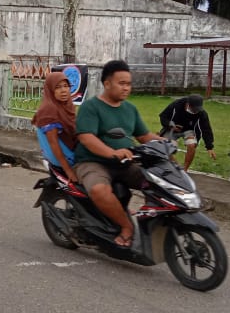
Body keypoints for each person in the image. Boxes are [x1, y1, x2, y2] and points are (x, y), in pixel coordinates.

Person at [73, 59, 164, 247]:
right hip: (92, 162)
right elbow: (87, 138)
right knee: (99, 190)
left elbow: (144, 135)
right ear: (107, 84)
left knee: (158, 181)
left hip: (125, 161)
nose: (126, 88)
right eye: (121, 83)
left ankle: (155, 224)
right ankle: (126, 227)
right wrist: (112, 152)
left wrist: (165, 144)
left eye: (129, 84)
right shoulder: (91, 107)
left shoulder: (130, 109)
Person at [33, 72, 78, 183]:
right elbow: (53, 143)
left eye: (66, 86)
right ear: (50, 90)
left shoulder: (67, 105)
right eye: (57, 87)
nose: (63, 90)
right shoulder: (49, 110)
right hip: (65, 157)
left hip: (71, 148)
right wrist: (69, 171)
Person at [159, 93, 216, 170]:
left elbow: (206, 129)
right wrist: (171, 125)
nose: (196, 111)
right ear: (188, 105)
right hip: (172, 128)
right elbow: (163, 116)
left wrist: (209, 147)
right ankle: (176, 166)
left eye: (198, 109)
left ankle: (185, 170)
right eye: (194, 109)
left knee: (191, 144)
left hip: (189, 130)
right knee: (167, 146)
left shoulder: (201, 113)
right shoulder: (176, 105)